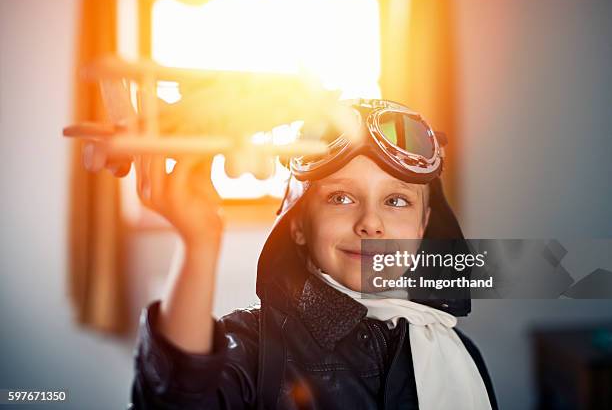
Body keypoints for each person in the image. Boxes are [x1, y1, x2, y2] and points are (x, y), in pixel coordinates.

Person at [85, 98, 498, 409]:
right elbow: (177, 398)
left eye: (396, 201)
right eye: (340, 197)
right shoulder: (253, 350)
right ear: (297, 225)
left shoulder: (457, 351)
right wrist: (199, 242)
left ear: (423, 228)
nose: (371, 223)